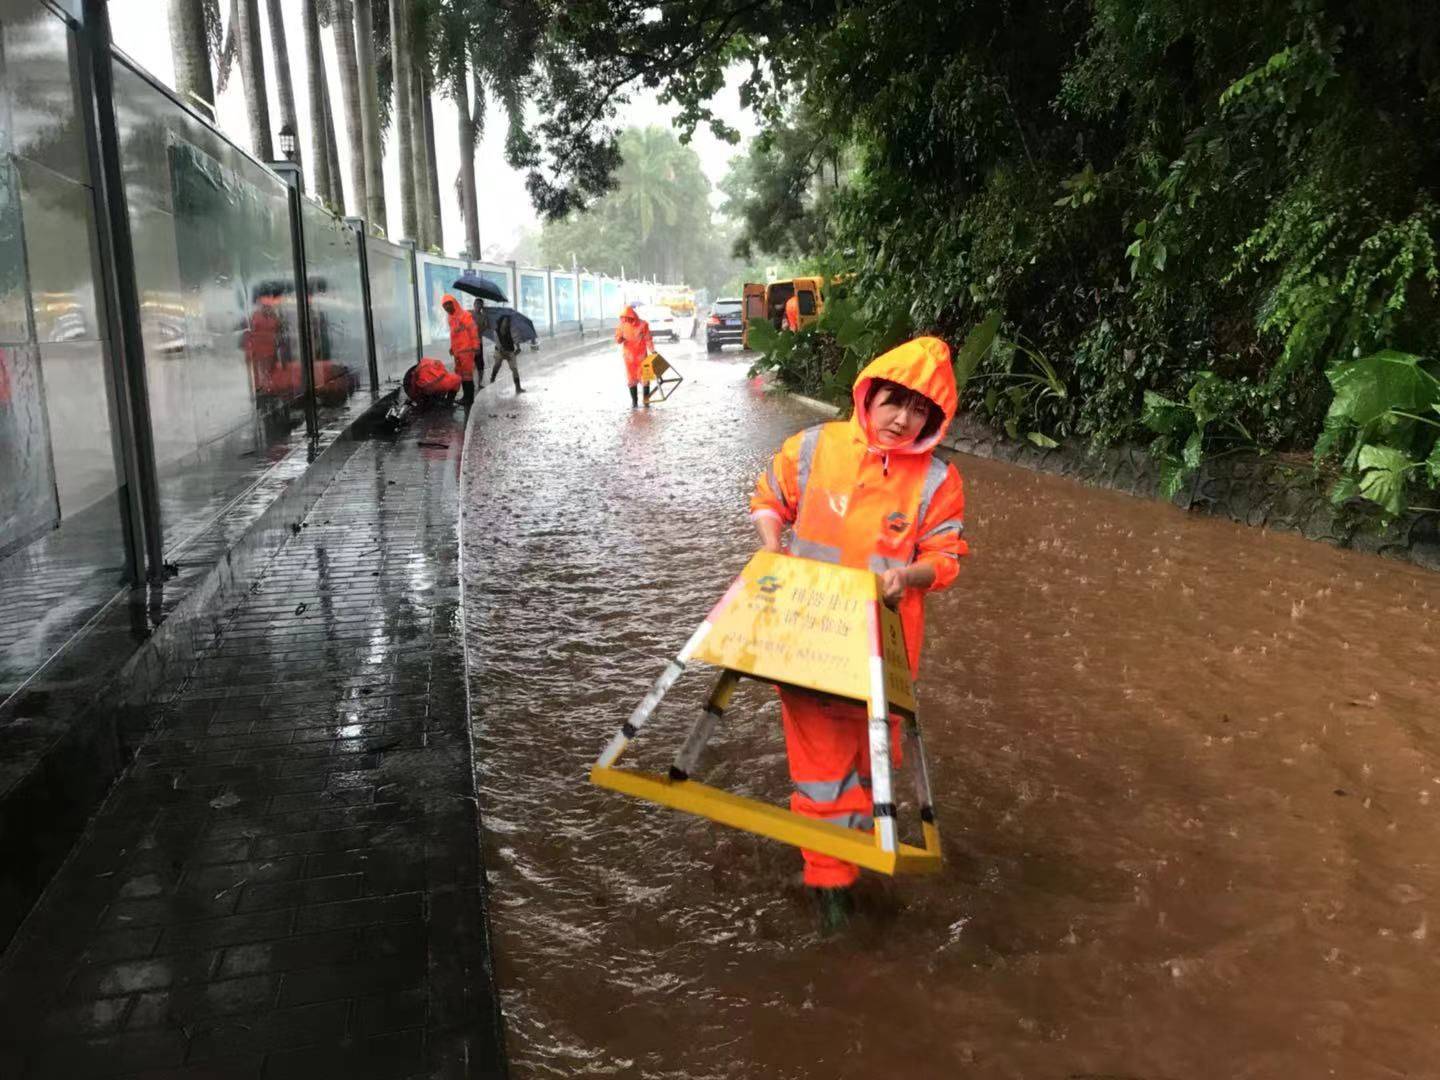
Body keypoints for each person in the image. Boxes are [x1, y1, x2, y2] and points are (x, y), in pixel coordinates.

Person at [749, 336, 968, 930]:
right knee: (822, 774)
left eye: (919, 408)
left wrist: (910, 574)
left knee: (869, 769)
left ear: (934, 416)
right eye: (893, 401)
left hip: (882, 655)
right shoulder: (814, 447)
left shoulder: (939, 480)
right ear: (868, 395)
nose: (902, 418)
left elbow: (946, 558)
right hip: (807, 646)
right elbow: (770, 500)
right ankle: (833, 897)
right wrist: (774, 547)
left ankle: (843, 865)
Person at [441, 293, 480, 407]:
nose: (447, 307)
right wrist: (452, 348)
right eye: (445, 306)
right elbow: (454, 336)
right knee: (460, 375)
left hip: (467, 351)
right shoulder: (451, 318)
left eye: (449, 304)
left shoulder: (465, 316)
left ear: (454, 303)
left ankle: (469, 399)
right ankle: (465, 397)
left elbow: (473, 331)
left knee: (467, 375)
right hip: (458, 353)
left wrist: (476, 346)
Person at [615, 305, 654, 407]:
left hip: (641, 357)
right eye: (624, 318)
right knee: (631, 379)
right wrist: (619, 338)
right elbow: (618, 340)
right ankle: (635, 402)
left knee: (645, 378)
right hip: (630, 359)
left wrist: (652, 350)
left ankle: (645, 402)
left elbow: (648, 338)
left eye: (628, 318)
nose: (626, 320)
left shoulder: (643, 324)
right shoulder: (622, 326)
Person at [488, 310, 525, 394]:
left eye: (508, 322)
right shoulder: (496, 331)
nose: (506, 323)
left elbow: (516, 339)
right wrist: (503, 353)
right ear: (501, 321)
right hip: (499, 350)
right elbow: (498, 344)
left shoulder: (512, 330)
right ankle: (492, 378)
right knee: (497, 365)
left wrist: (518, 347)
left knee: (514, 368)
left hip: (510, 350)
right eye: (504, 321)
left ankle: (518, 387)